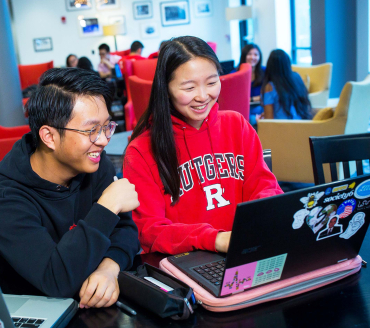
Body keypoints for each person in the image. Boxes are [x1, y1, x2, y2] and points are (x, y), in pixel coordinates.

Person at [0, 68, 140, 309]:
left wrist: (109, 268)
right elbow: (56, 281)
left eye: (107, 126)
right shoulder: (4, 201)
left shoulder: (94, 165)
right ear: (49, 137)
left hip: (94, 308)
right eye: (91, 130)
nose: (104, 140)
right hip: (35, 316)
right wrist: (107, 207)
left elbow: (125, 230)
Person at [123, 36, 283, 255]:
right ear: (165, 88)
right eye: (189, 87)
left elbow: (265, 185)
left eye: (211, 82)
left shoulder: (236, 124)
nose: (202, 96)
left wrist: (263, 220)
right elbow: (149, 230)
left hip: (245, 249)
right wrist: (215, 239)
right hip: (187, 260)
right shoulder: (141, 150)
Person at [260, 49, 311, 120]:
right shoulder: (297, 77)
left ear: (270, 66)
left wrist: (261, 122)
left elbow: (269, 121)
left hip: (283, 128)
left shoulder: (269, 87)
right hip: (303, 125)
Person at [237, 44, 265, 126]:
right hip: (242, 109)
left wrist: (251, 99)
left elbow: (267, 95)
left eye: (256, 54)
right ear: (244, 56)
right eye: (249, 54)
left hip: (260, 107)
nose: (252, 57)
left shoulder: (265, 71)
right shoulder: (235, 73)